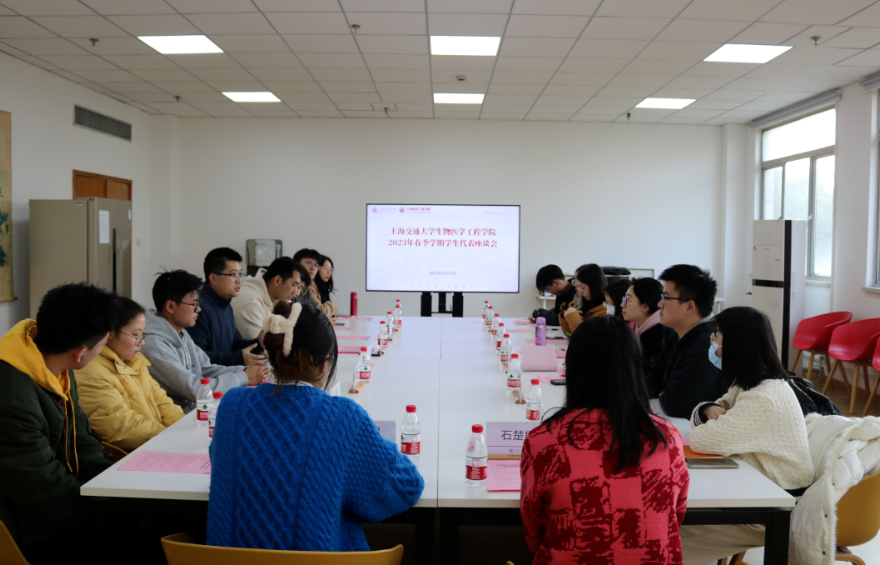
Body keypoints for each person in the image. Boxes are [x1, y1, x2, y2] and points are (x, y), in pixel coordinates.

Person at [207, 301, 424, 551]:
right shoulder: (343, 418)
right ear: (324, 364)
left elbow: (224, 463)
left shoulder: (232, 405)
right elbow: (403, 487)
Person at [520, 317, 689, 564]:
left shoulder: (545, 441)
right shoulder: (667, 438)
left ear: (573, 368)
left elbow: (533, 528)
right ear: (635, 368)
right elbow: (675, 515)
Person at [680, 307, 812, 565]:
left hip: (774, 508)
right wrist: (707, 409)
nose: (714, 344)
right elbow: (706, 413)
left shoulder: (762, 397)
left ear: (736, 345)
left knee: (669, 534)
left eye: (717, 337)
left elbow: (701, 439)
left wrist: (709, 413)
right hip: (758, 489)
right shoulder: (748, 384)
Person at [0, 283, 115, 565]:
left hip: (60, 506)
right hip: (27, 528)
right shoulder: (12, 394)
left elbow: (81, 437)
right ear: (80, 353)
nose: (102, 351)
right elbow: (42, 491)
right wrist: (112, 512)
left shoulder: (56, 364)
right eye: (102, 345)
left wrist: (114, 487)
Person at [141, 270, 266, 412]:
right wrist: (243, 377)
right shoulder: (154, 345)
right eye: (193, 304)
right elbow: (194, 389)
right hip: (176, 420)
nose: (199, 309)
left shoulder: (180, 333)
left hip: (194, 412)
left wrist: (246, 370)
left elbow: (206, 368)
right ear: (170, 306)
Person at [77, 296, 185, 452]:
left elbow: (162, 401)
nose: (142, 342)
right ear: (110, 333)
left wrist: (185, 430)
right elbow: (121, 426)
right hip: (128, 456)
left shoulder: (134, 361)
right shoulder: (90, 371)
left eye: (143, 335)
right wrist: (173, 439)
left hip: (155, 445)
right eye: (135, 335)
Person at [651, 264, 726, 419]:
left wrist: (662, 392)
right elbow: (653, 380)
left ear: (690, 307)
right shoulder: (679, 335)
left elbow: (675, 405)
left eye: (666, 298)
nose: (659, 304)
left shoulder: (707, 345)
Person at [187, 248, 264, 367]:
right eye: (233, 275)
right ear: (213, 278)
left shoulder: (226, 304)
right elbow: (196, 357)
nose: (239, 280)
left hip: (226, 374)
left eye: (241, 274)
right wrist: (238, 358)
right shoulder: (198, 307)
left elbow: (233, 344)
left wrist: (259, 343)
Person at [231, 257, 308, 341]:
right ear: (277, 281)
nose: (297, 293)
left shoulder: (279, 296)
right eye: (294, 285)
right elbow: (262, 345)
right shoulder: (249, 300)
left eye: (299, 287)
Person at [622, 278, 675, 384]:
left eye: (628, 300)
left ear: (645, 306)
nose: (622, 305)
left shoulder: (660, 333)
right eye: (624, 299)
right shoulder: (639, 328)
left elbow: (651, 377)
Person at [560, 263, 607, 336]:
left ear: (594, 286)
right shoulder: (587, 305)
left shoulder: (604, 313)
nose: (581, 291)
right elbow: (570, 335)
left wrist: (572, 316)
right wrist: (565, 317)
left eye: (583, 287)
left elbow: (583, 339)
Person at [293, 248, 337, 317]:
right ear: (297, 264)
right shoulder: (291, 286)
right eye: (309, 263)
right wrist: (333, 307)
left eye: (316, 265)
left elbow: (312, 313)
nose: (313, 268)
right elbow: (318, 312)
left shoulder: (306, 288)